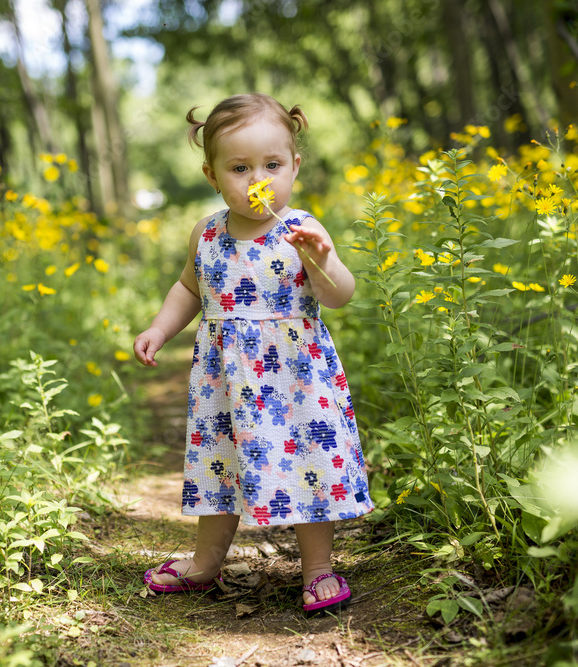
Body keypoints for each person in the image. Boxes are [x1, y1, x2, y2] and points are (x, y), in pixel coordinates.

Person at [132, 93, 374, 615]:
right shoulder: (208, 232)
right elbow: (189, 290)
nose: (256, 179)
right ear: (212, 174)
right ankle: (205, 563)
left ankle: (317, 568)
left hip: (296, 379)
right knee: (220, 467)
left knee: (310, 464)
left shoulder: (302, 230)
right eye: (239, 168)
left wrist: (320, 258)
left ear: (295, 166)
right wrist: (159, 328)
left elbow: (339, 294)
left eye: (272, 165)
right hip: (226, 383)